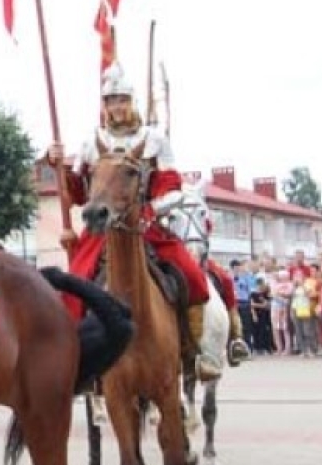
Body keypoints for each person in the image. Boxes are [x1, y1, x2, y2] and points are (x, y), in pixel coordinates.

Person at [49, 63, 220, 381]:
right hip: (101, 230)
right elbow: (76, 192)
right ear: (105, 107)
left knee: (193, 277)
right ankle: (77, 355)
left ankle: (192, 350)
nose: (117, 107)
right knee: (73, 286)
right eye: (111, 101)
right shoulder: (92, 142)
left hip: (146, 224)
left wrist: (150, 212)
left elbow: (169, 184)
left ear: (132, 103)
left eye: (122, 100)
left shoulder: (153, 140)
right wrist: (58, 165)